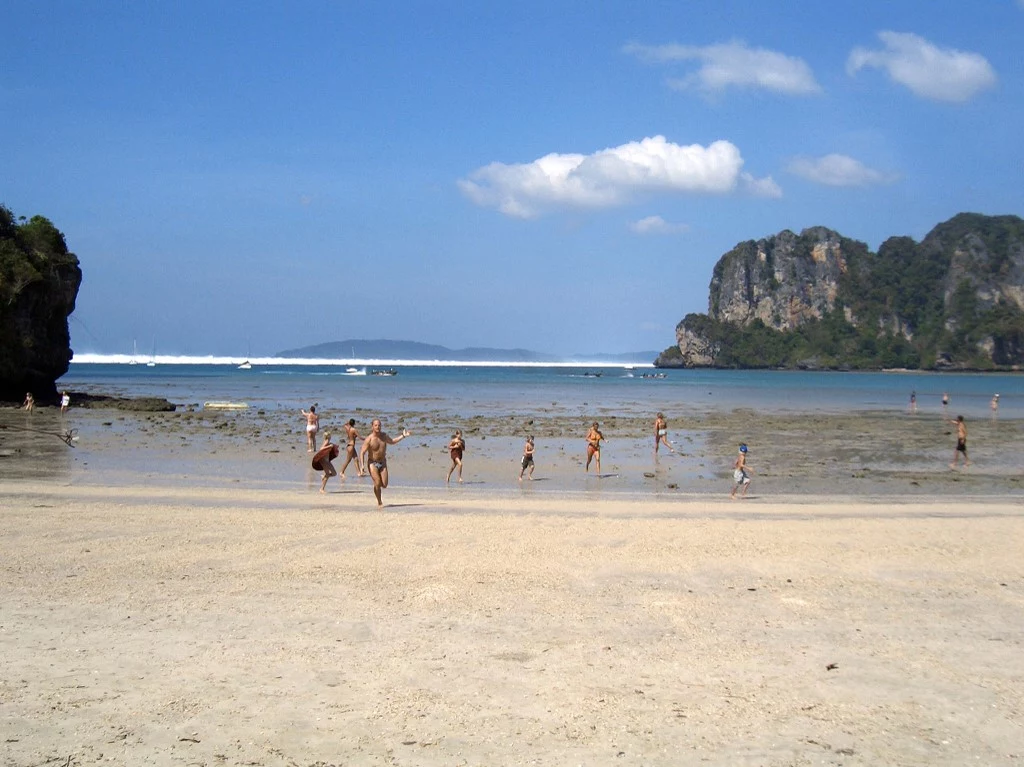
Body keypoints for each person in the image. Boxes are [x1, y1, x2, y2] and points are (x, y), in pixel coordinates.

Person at [360, 418, 411, 507]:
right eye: (376, 425)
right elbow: (362, 452)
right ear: (372, 427)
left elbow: (392, 441)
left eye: (379, 425)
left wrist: (403, 436)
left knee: (384, 484)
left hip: (383, 462)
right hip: (372, 463)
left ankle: (377, 489)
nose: (378, 427)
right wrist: (362, 465)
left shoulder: (384, 436)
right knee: (377, 483)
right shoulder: (369, 439)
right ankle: (379, 502)